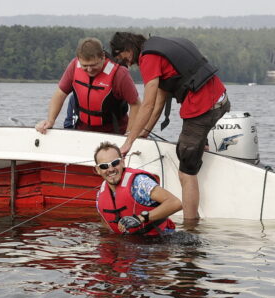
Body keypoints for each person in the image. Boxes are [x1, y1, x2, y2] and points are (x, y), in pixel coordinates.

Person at [109, 32, 231, 221]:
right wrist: (144, 133)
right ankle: (201, 146)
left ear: (126, 49)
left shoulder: (149, 58)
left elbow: (147, 104)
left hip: (203, 108)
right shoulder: (161, 47)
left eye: (121, 58)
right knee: (190, 148)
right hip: (220, 100)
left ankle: (191, 226)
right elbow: (158, 104)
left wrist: (129, 142)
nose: (125, 63)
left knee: (186, 172)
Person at [35, 37, 140, 135]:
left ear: (102, 57)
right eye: (85, 65)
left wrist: (129, 134)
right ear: (79, 59)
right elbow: (60, 94)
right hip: (83, 131)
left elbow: (136, 104)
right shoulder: (73, 66)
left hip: (114, 132)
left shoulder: (120, 74)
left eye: (93, 65)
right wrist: (50, 120)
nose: (89, 70)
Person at [93, 141, 181, 236]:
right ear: (98, 170)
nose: (110, 169)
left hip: (160, 239)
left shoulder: (140, 182)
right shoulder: (100, 196)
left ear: (122, 162)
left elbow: (176, 203)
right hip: (129, 245)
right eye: (104, 166)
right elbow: (105, 225)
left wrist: (141, 218)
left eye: (115, 163)